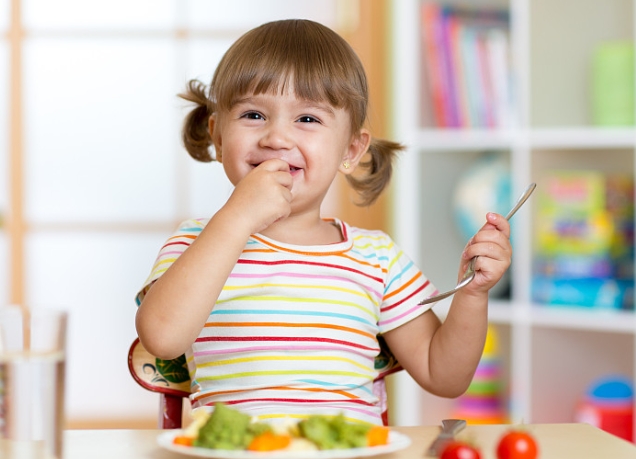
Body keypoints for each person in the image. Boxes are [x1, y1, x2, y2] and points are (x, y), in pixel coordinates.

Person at [135, 19, 512, 426]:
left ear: (351, 149)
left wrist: (472, 296)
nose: (276, 138)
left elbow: (445, 375)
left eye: (308, 119)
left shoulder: (376, 258)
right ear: (219, 135)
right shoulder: (197, 242)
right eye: (253, 114)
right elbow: (162, 338)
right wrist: (237, 217)